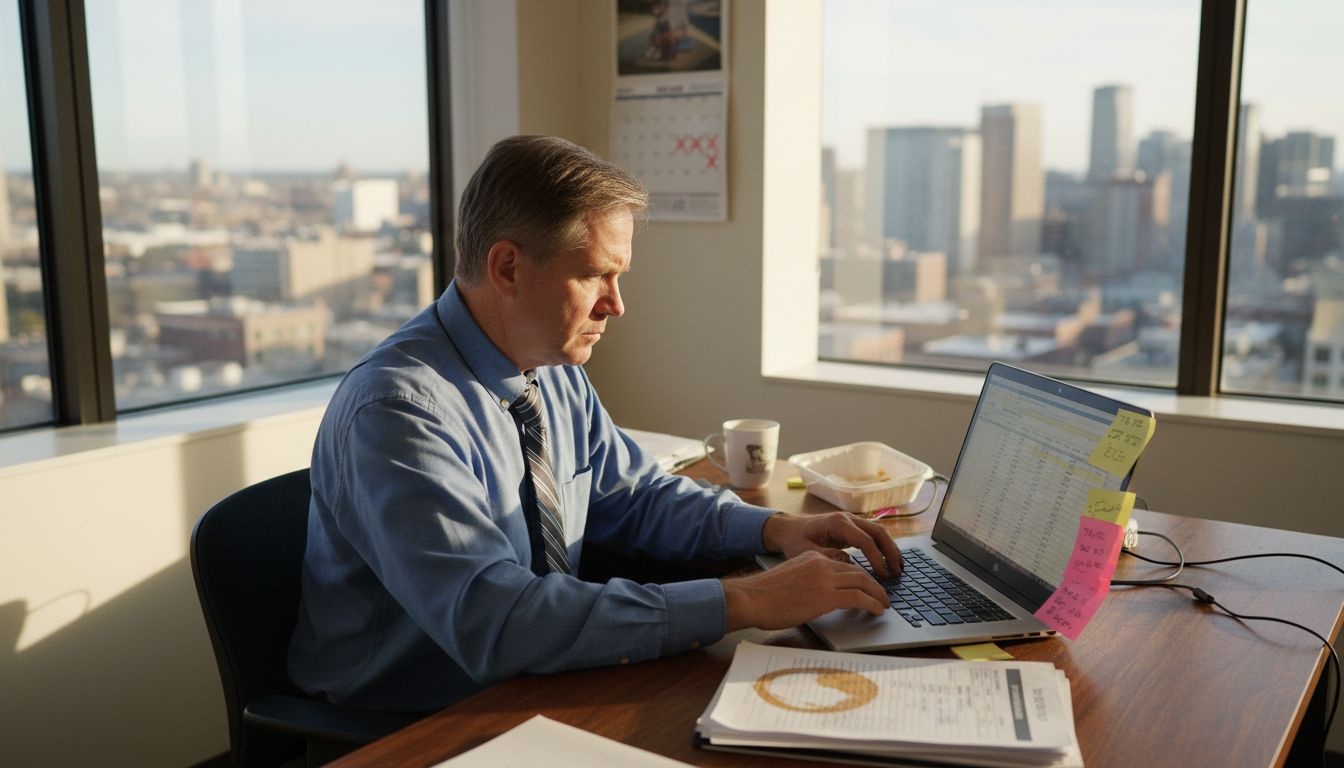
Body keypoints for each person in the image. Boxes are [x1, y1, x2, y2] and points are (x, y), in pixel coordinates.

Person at [288, 135, 902, 713]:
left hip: (535, 673)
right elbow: (496, 621)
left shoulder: (548, 364)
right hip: (418, 713)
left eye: (619, 276)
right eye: (594, 275)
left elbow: (634, 495)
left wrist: (774, 529)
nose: (616, 304)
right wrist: (749, 598)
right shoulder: (398, 410)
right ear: (507, 268)